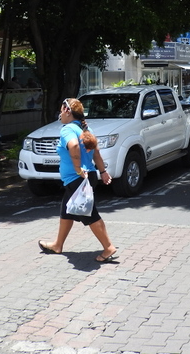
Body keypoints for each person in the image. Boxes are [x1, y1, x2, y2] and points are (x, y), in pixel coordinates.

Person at [38, 98, 118, 263]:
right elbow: (96, 153)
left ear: (67, 111)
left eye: (61, 110)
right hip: (86, 177)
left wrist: (77, 168)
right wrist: (103, 172)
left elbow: (73, 146)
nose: (60, 114)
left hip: (78, 179)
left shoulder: (68, 129)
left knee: (89, 214)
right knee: (66, 211)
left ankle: (108, 247)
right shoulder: (86, 129)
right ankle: (58, 245)